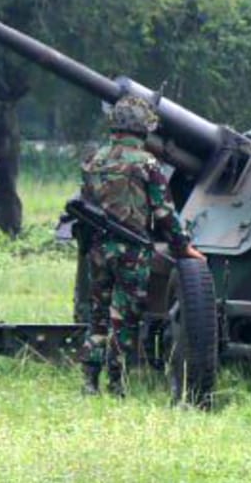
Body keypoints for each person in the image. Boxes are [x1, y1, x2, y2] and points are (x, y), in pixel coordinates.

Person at [79, 93, 197, 396]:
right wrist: (183, 246)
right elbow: (164, 212)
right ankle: (116, 383)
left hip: (98, 249)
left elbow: (85, 204)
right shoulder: (146, 163)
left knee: (98, 315)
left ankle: (89, 381)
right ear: (143, 126)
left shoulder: (93, 160)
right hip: (132, 251)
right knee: (126, 317)